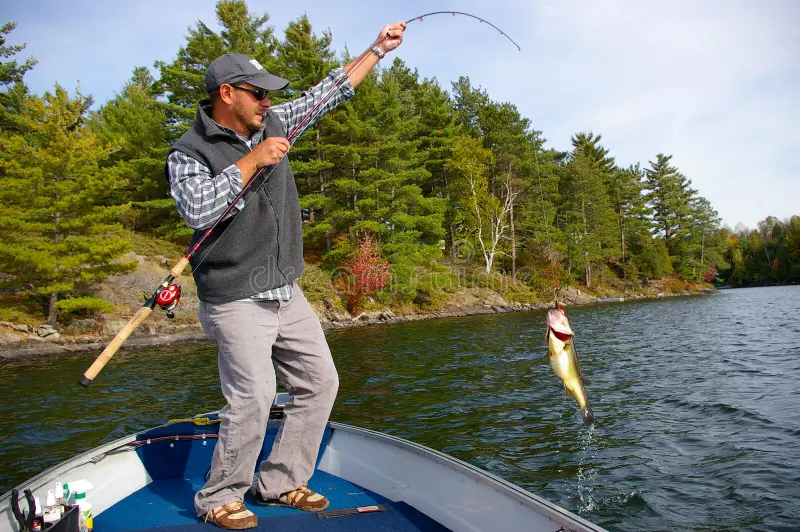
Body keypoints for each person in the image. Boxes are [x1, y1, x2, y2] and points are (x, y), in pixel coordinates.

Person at [165, 21, 406, 530]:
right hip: (233, 296)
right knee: (252, 396)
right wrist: (252, 161)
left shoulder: (273, 120)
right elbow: (197, 211)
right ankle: (219, 498)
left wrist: (376, 50)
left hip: (285, 290)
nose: (266, 102)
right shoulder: (189, 152)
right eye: (257, 93)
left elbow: (328, 94)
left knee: (320, 383)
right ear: (227, 94)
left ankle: (279, 481)